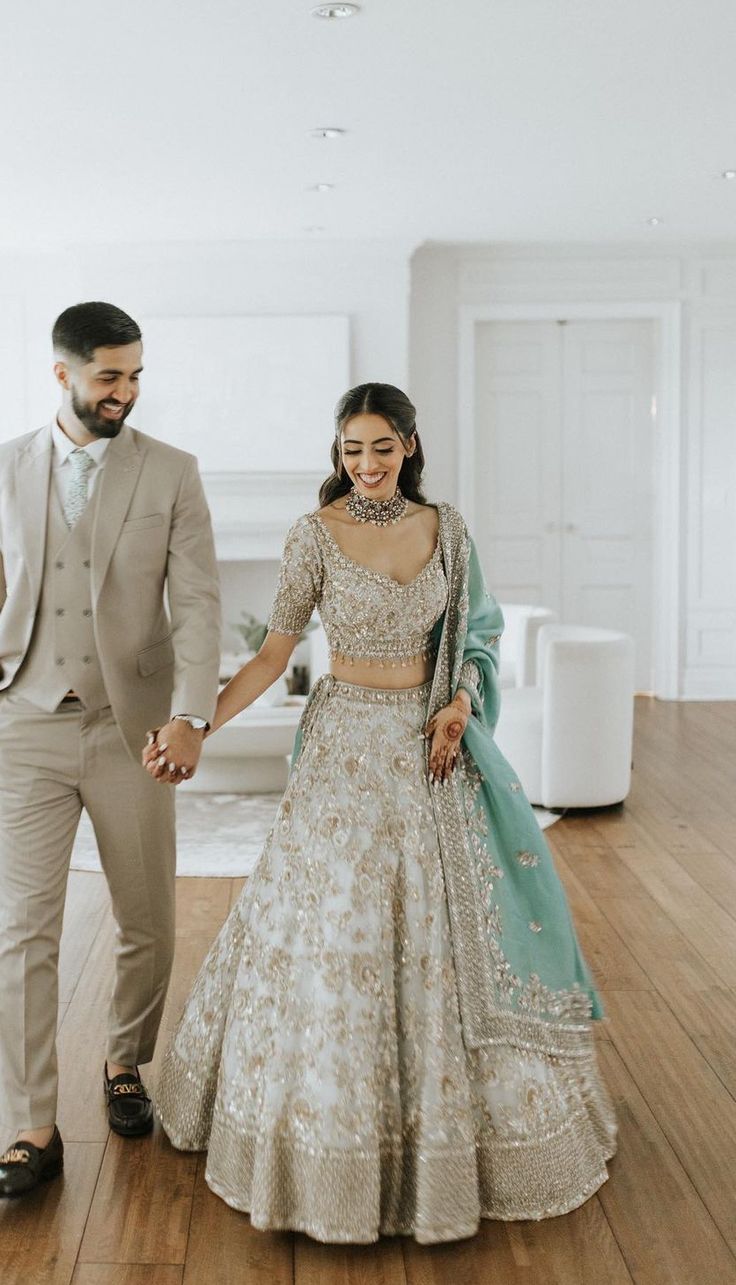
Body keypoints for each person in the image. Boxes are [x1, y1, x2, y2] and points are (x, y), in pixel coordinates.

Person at [150, 382, 616, 1244]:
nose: (366, 466)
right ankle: (324, 1140)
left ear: (409, 444)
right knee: (340, 934)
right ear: (337, 453)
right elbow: (273, 654)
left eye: (381, 447)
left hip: (428, 747)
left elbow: (476, 638)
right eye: (351, 450)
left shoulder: (450, 529)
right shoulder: (313, 537)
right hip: (343, 751)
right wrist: (200, 721)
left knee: (439, 932)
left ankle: (439, 1146)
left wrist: (459, 705)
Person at [0, 302, 221, 1198]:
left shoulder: (172, 472)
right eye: (108, 378)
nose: (125, 392)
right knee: (21, 929)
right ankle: (31, 1124)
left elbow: (201, 602)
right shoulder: (5, 467)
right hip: (24, 722)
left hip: (134, 731)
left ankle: (125, 1064)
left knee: (148, 922)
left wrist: (191, 716)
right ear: (63, 374)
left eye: (135, 376)